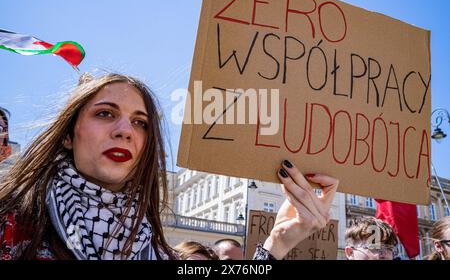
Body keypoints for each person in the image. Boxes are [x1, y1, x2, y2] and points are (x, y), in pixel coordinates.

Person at [0, 72, 339, 260]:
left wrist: (280, 240)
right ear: (68, 136)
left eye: (141, 123)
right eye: (105, 113)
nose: (124, 131)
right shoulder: (11, 224)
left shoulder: (161, 254)